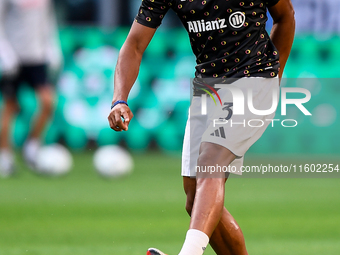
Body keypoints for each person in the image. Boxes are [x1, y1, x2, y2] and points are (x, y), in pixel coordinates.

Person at [108, 0, 295, 254]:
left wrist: (273, 79)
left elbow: (285, 16)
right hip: (208, 87)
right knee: (195, 197)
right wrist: (120, 99)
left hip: (255, 78)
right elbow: (134, 45)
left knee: (211, 161)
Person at [0, 0, 62, 177]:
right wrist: (4, 53)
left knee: (48, 102)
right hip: (14, 57)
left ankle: (32, 146)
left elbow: (48, 23)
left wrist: (52, 49)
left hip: (37, 56)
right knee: (9, 107)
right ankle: (5, 155)